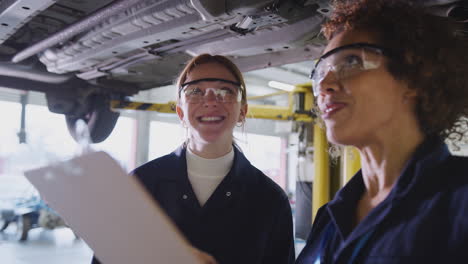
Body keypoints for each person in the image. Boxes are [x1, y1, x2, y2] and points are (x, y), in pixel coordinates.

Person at [296, 0, 468, 263]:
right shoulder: (329, 218)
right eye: (321, 72)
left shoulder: (460, 201)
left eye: (351, 61)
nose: (325, 85)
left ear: (413, 77)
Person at [92, 54, 295, 264]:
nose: (210, 101)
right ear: (180, 112)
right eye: (195, 91)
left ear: (242, 111)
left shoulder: (270, 200)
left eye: (225, 91)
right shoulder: (140, 186)